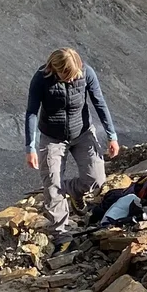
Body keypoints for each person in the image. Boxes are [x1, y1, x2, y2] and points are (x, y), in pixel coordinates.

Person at [25, 48, 121, 237]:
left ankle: (72, 191)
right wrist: (30, 147)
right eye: (65, 76)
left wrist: (112, 136)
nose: (70, 80)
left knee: (96, 180)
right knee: (52, 186)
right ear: (54, 67)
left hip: (83, 132)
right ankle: (60, 234)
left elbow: (99, 103)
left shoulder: (87, 73)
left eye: (73, 75)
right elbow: (31, 112)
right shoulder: (41, 78)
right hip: (52, 138)